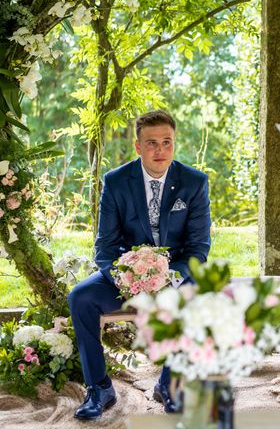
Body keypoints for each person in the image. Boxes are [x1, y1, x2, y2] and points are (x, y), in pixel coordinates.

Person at [68, 110, 211, 420]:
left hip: (175, 275)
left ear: (174, 143)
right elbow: (105, 247)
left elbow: (198, 248)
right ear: (137, 146)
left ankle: (169, 384)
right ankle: (99, 388)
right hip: (126, 273)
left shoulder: (194, 182)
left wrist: (168, 278)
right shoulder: (116, 181)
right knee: (81, 297)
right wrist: (129, 278)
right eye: (151, 143)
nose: (160, 151)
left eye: (166, 142)